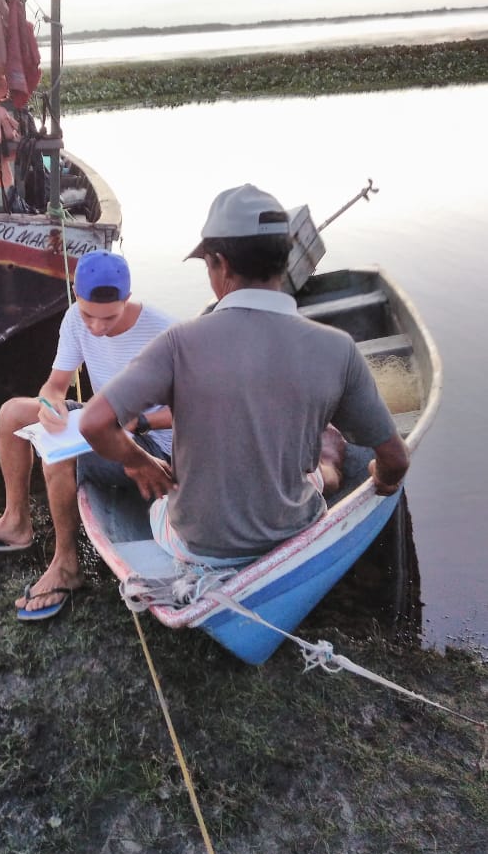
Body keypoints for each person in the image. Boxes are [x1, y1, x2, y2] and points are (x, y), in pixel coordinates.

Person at [79, 184, 410, 567]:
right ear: (285, 260)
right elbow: (395, 459)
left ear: (221, 264)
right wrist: (383, 478)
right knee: (322, 470)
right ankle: (328, 470)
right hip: (293, 532)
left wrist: (138, 461)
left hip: (196, 544)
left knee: (161, 509)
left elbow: (94, 422)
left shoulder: (177, 343)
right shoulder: (338, 348)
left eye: (207, 265)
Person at [0, 250, 175, 618]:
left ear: (128, 299)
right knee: (12, 414)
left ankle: (67, 565)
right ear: (76, 295)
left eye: (109, 317)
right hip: (105, 423)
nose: (96, 327)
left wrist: (142, 422)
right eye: (88, 315)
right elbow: (54, 386)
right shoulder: (73, 319)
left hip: (152, 447)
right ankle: (16, 522)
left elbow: (196, 408)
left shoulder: (164, 332)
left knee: (58, 453)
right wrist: (50, 406)